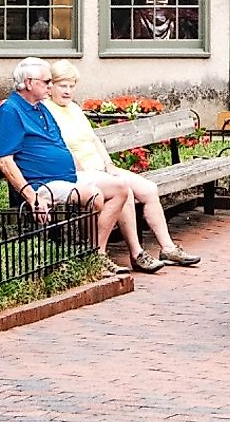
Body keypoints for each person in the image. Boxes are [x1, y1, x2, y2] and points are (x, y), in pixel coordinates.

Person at [0, 56, 140, 273]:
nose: (51, 87)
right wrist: (32, 197)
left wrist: (82, 171)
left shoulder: (42, 109)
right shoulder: (10, 110)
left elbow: (59, 146)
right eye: (46, 82)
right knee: (94, 195)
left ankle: (96, 256)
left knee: (120, 187)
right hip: (42, 184)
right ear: (29, 83)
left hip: (67, 176)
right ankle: (94, 259)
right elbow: (5, 162)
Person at [46, 60, 197, 269]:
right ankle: (137, 254)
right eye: (63, 85)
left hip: (100, 167)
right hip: (83, 173)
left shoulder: (73, 108)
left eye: (72, 86)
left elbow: (94, 139)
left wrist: (109, 164)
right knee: (124, 192)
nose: (68, 91)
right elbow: (61, 147)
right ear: (50, 86)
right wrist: (84, 171)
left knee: (149, 189)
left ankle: (168, 248)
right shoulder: (47, 111)